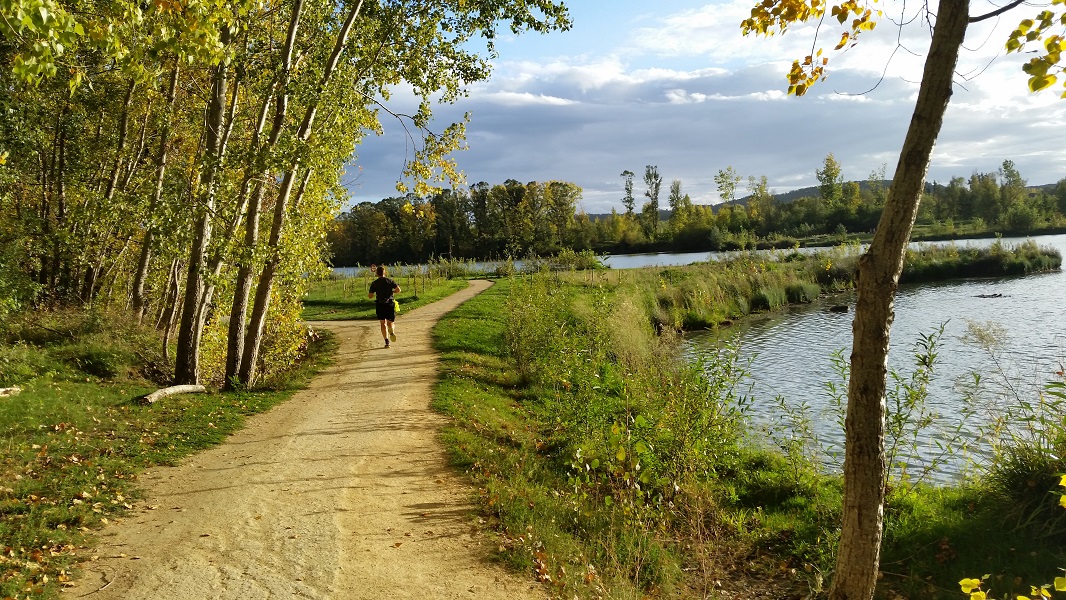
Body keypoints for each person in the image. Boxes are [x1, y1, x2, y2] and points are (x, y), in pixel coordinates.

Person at [368, 265, 401, 348]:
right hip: (389, 303)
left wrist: (375, 292)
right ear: (384, 272)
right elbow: (398, 290)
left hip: (380, 304)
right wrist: (392, 292)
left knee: (383, 323)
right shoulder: (390, 281)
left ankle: (387, 342)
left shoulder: (374, 283)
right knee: (391, 322)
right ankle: (392, 330)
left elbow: (370, 296)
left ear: (377, 273)